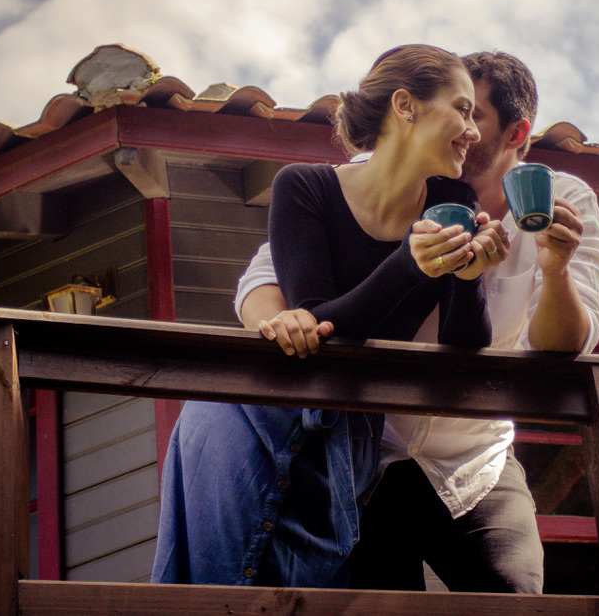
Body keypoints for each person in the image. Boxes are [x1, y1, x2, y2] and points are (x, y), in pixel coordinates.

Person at [236, 51, 599, 593]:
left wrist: (554, 273)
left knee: (517, 597)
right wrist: (283, 326)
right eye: (459, 110)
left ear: (517, 133)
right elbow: (269, 272)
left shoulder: (562, 202)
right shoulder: (395, 175)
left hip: (475, 453)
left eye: (475, 113)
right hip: (368, 450)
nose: (465, 128)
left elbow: (564, 346)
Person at [152, 44, 508, 588]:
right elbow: (318, 321)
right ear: (406, 106)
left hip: (346, 432)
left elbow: (463, 349)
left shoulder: (453, 200)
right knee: (218, 577)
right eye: (462, 109)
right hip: (256, 411)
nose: (473, 131)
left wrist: (467, 276)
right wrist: (409, 265)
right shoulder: (304, 186)